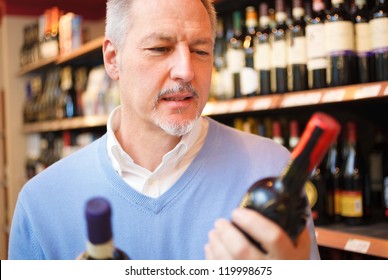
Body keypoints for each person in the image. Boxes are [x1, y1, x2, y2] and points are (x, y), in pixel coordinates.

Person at [8, 0, 320, 260]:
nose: (186, 70)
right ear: (113, 60)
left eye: (200, 50)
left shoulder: (274, 169)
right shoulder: (41, 204)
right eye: (160, 48)